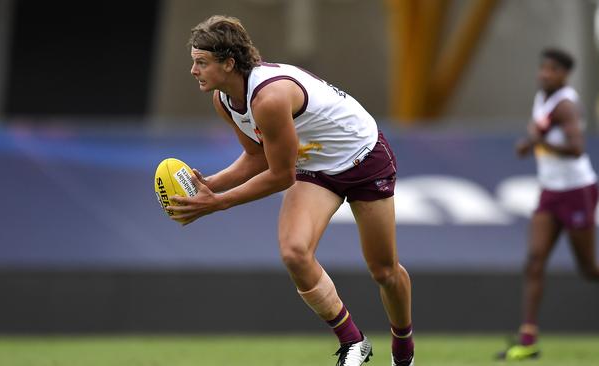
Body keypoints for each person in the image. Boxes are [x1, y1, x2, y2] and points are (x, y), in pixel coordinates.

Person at [166, 15, 415, 366]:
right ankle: (354, 342)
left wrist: (218, 202)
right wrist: (210, 183)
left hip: (362, 158)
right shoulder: (224, 100)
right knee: (295, 253)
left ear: (229, 63)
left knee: (384, 271)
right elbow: (256, 156)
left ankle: (403, 350)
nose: (193, 70)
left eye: (201, 62)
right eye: (194, 61)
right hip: (314, 165)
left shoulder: (268, 98)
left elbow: (281, 176)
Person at [498, 48, 599, 360]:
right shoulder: (543, 98)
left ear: (565, 75)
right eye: (543, 68)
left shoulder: (565, 105)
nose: (544, 74)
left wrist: (538, 142)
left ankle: (527, 339)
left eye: (552, 70)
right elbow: (545, 133)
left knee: (590, 269)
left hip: (577, 191)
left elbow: (577, 148)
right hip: (550, 192)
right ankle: (527, 340)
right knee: (534, 261)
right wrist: (530, 145)